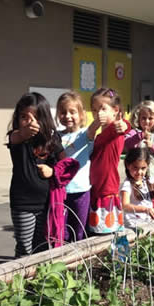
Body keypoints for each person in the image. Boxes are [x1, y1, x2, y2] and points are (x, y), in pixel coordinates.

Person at [7, 92, 65, 257]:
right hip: (23, 203)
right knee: (25, 247)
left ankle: (38, 279)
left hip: (47, 203)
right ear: (17, 119)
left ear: (45, 119)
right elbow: (16, 137)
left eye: (36, 117)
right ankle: (20, 278)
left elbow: (64, 163)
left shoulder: (52, 139)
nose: (30, 122)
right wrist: (23, 133)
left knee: (42, 244)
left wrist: (52, 171)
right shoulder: (17, 137)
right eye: (24, 117)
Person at [88, 88, 131, 234]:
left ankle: (117, 255)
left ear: (115, 110)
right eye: (94, 110)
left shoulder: (115, 130)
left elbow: (123, 126)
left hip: (107, 188)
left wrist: (125, 124)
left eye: (102, 108)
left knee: (108, 232)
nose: (98, 113)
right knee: (96, 231)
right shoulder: (100, 134)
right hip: (95, 187)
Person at [56, 91, 96, 242]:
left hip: (81, 191)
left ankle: (80, 262)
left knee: (80, 229)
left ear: (81, 114)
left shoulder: (85, 135)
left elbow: (93, 129)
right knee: (62, 230)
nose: (67, 116)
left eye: (72, 112)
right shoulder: (56, 136)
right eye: (63, 112)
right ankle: (64, 260)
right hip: (61, 192)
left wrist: (99, 119)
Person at [125, 100, 154, 213]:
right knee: (139, 200)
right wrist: (140, 136)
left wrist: (153, 146)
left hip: (153, 176)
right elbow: (126, 144)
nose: (147, 121)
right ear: (138, 119)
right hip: (137, 175)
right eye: (143, 118)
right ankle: (138, 221)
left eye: (150, 118)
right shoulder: (134, 133)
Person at [120, 148, 154, 230]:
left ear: (147, 166)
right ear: (128, 166)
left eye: (143, 168)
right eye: (135, 168)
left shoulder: (147, 180)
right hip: (133, 225)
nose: (139, 172)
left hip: (146, 223)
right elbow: (125, 206)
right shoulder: (127, 184)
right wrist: (145, 209)